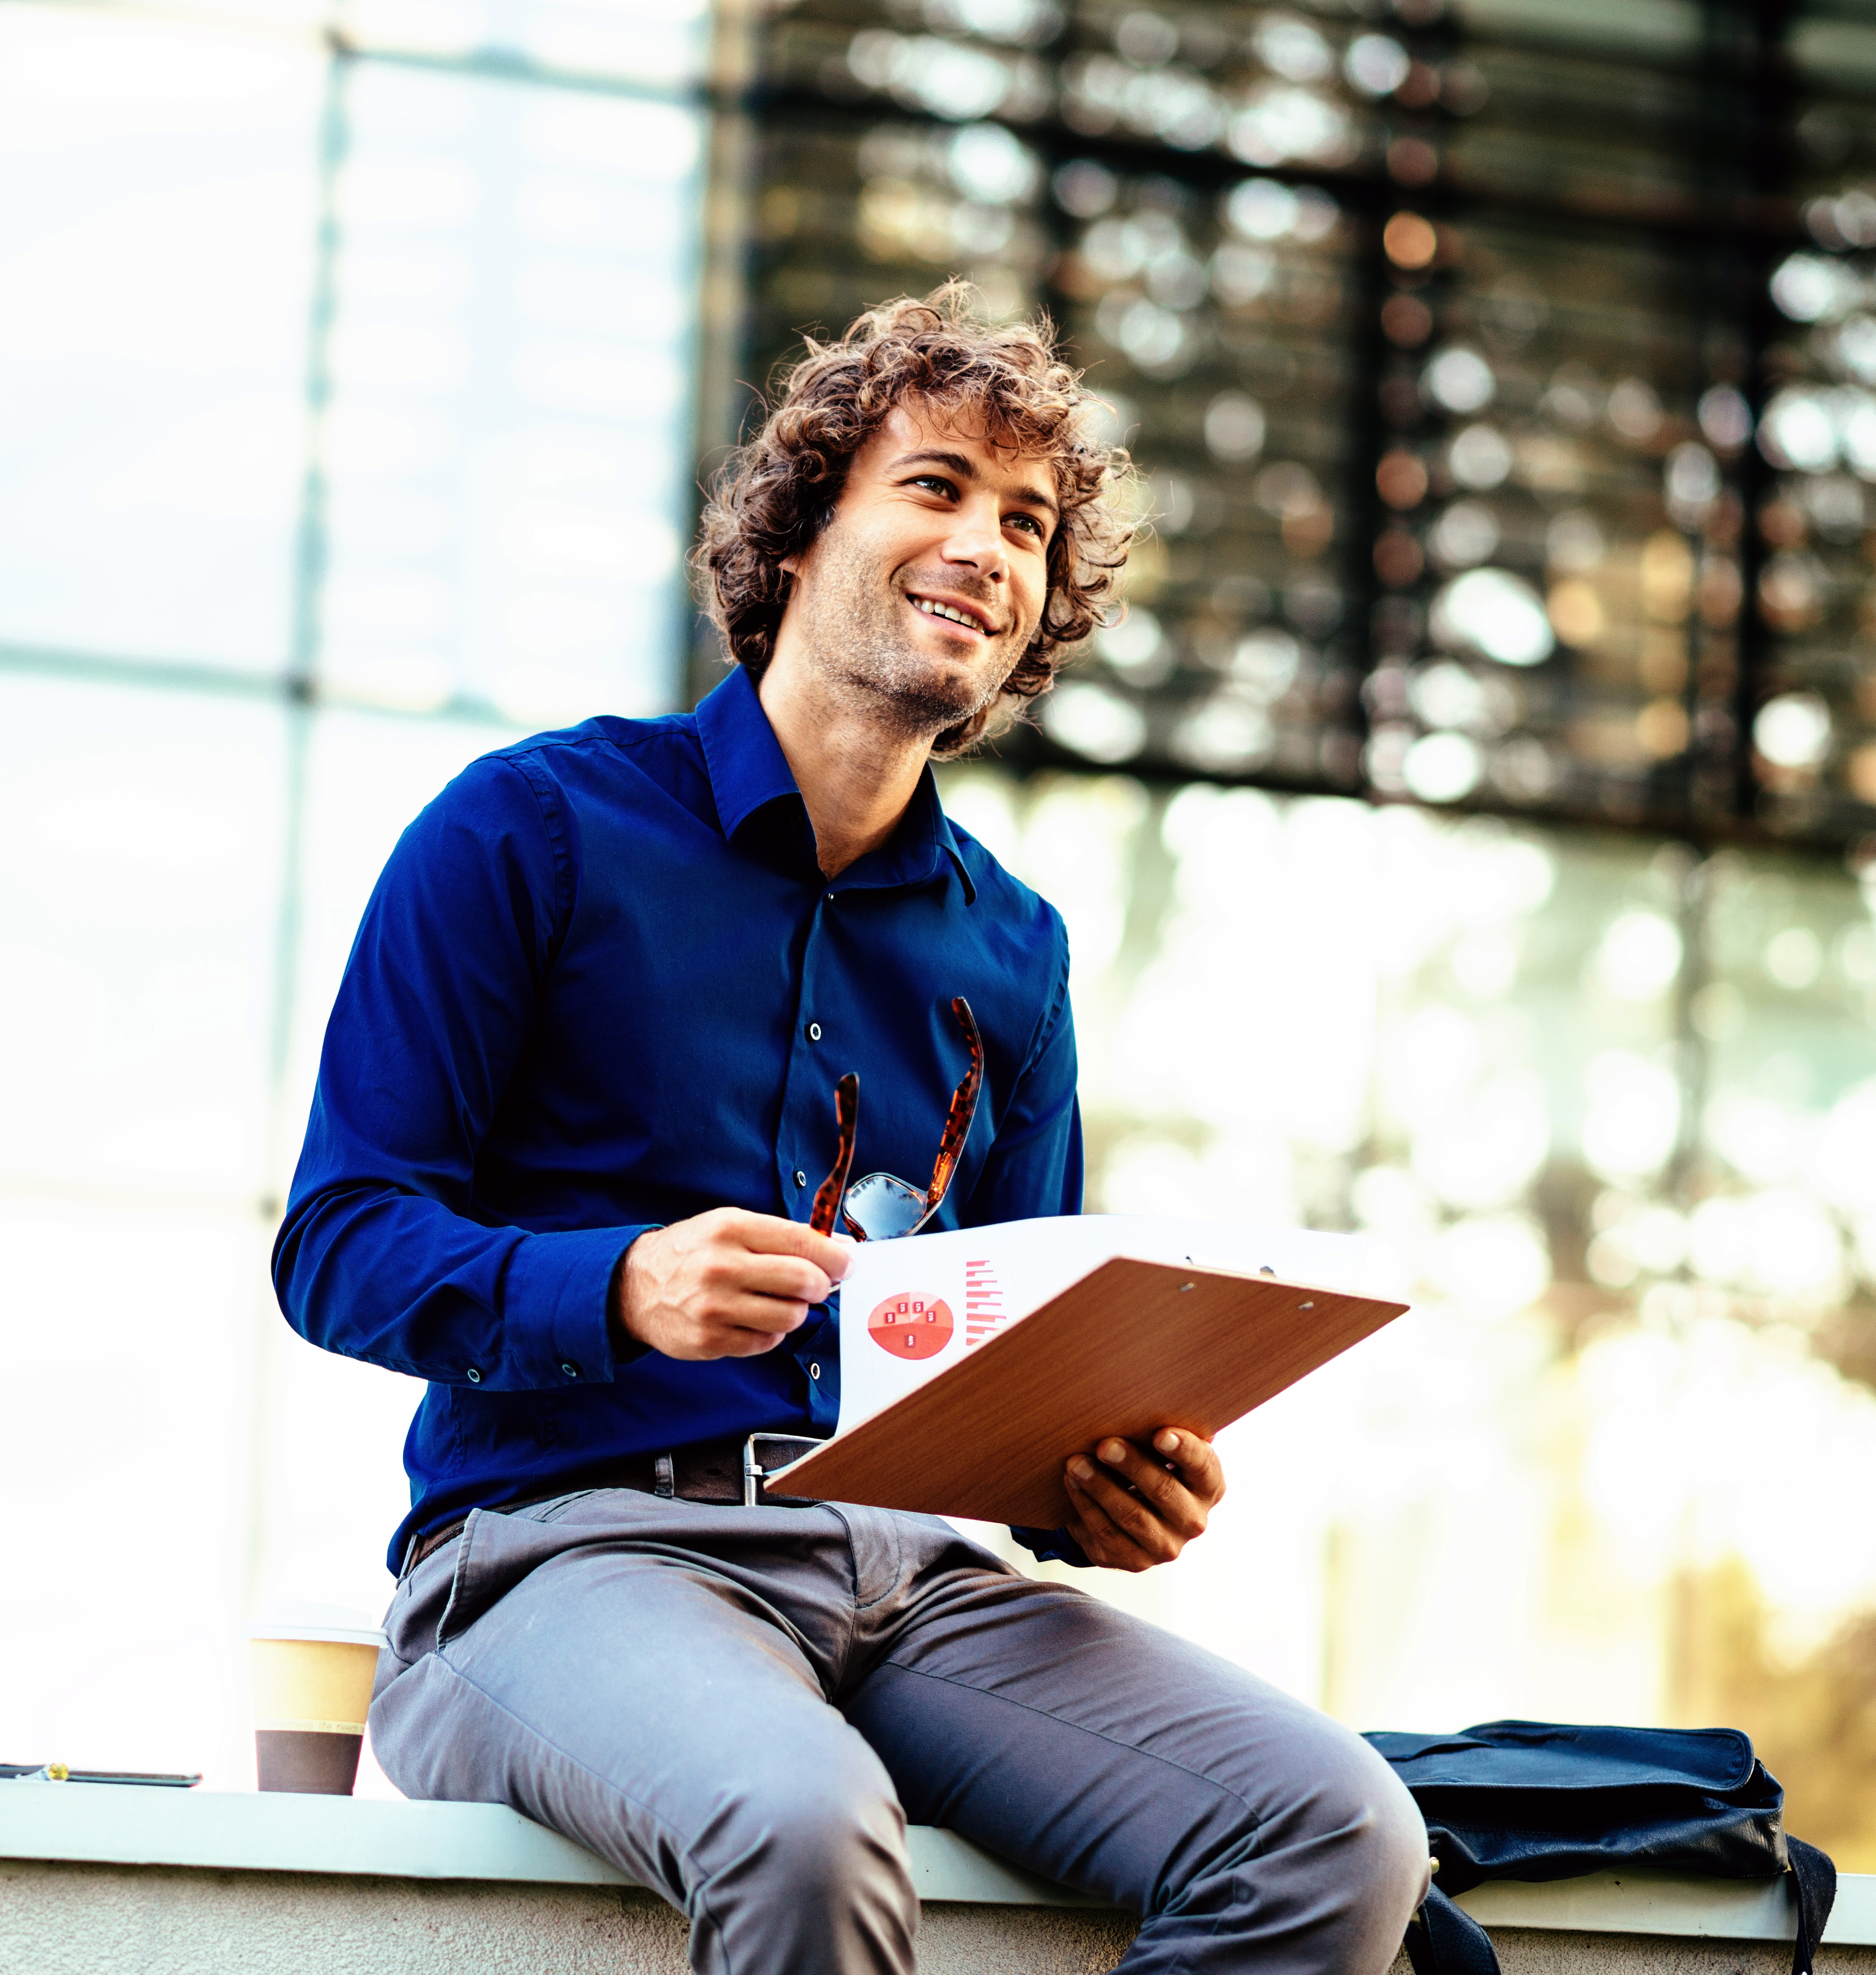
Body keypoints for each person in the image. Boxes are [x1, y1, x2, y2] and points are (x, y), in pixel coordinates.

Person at [273, 283, 1426, 1975]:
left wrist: (1091, 1482)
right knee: (803, 1821)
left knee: (1334, 1828)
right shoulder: (530, 829)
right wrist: (619, 1286)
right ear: (802, 531)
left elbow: (1010, 1349)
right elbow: (337, 1242)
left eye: (1026, 524)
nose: (987, 545)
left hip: (908, 1581)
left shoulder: (1011, 952)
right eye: (937, 486)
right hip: (557, 1562)